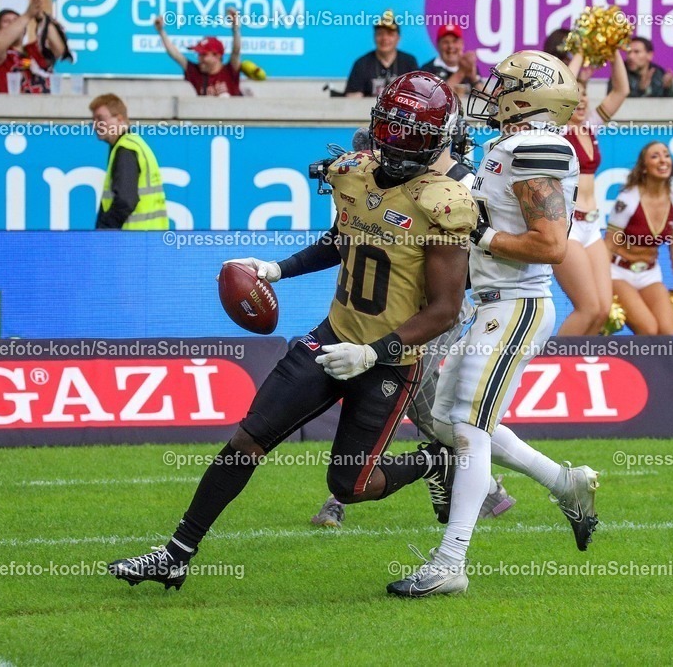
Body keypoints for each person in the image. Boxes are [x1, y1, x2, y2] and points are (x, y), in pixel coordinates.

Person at [108, 72, 478, 590]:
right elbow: (340, 241)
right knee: (246, 440)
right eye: (389, 128)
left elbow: (444, 308)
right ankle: (175, 554)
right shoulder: (354, 173)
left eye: (409, 133)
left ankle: (433, 459)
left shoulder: (447, 202)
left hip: (389, 361)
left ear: (435, 138)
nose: (394, 142)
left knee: (349, 485)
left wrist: (374, 354)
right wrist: (279, 268)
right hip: (331, 336)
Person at [387, 51, 600, 598]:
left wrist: (478, 234)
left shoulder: (538, 146)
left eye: (503, 85)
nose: (491, 92)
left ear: (527, 97)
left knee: (467, 428)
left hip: (517, 302)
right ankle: (565, 483)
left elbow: (551, 245)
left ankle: (451, 560)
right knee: (442, 419)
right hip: (488, 302)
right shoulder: (506, 146)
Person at [310, 119, 516, 529]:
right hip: (391, 306)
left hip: (436, 311)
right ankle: (484, 484)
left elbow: (476, 257)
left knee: (396, 391)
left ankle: (341, 494)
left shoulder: (461, 186)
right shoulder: (376, 179)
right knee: (424, 405)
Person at [553, 48, 629, 336]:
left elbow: (621, 90)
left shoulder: (590, 128)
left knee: (603, 310)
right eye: (577, 96)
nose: (582, 100)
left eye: (586, 95)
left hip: (592, 225)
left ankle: (577, 373)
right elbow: (561, 88)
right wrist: (582, 52)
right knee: (586, 308)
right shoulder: (557, 131)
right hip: (569, 226)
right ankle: (552, 364)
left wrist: (615, 50)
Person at [604, 141, 673, 335]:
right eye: (655, 156)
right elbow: (608, 245)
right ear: (644, 168)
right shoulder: (628, 199)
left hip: (650, 274)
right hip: (618, 272)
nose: (663, 160)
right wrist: (603, 286)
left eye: (666, 155)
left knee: (668, 333)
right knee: (648, 329)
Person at [89, 94, 168, 230]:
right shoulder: (133, 144)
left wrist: (104, 230)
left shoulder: (126, 149)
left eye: (101, 119)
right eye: (94, 120)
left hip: (132, 241)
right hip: (146, 239)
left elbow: (125, 200)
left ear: (119, 119)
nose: (95, 125)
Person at [0, 0, 69, 94]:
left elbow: (59, 49)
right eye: (6, 21)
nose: (13, 24)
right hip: (7, 108)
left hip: (42, 107)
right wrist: (27, 15)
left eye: (16, 21)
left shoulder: (32, 51)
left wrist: (41, 18)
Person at [155, 8, 244, 97]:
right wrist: (161, 31)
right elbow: (175, 55)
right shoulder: (196, 73)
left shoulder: (229, 71)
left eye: (203, 54)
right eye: (199, 54)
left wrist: (235, 27)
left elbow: (236, 51)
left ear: (216, 56)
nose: (199, 58)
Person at [344, 10, 419, 98]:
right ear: (374, 37)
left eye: (390, 34)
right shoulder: (361, 64)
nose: (384, 38)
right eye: (380, 34)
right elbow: (353, 99)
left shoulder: (409, 62)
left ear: (398, 38)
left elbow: (417, 96)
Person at [420, 24, 480, 96]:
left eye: (455, 41)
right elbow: (437, 98)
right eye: (446, 42)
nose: (451, 46)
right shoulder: (427, 71)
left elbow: (487, 100)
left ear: (462, 44)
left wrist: (474, 78)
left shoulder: (469, 67)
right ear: (438, 45)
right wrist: (461, 72)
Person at [608, 37, 673, 98]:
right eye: (629, 52)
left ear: (649, 55)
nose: (631, 57)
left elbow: (672, 106)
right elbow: (612, 103)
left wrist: (667, 89)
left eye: (636, 52)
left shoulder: (659, 74)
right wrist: (640, 90)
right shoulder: (619, 75)